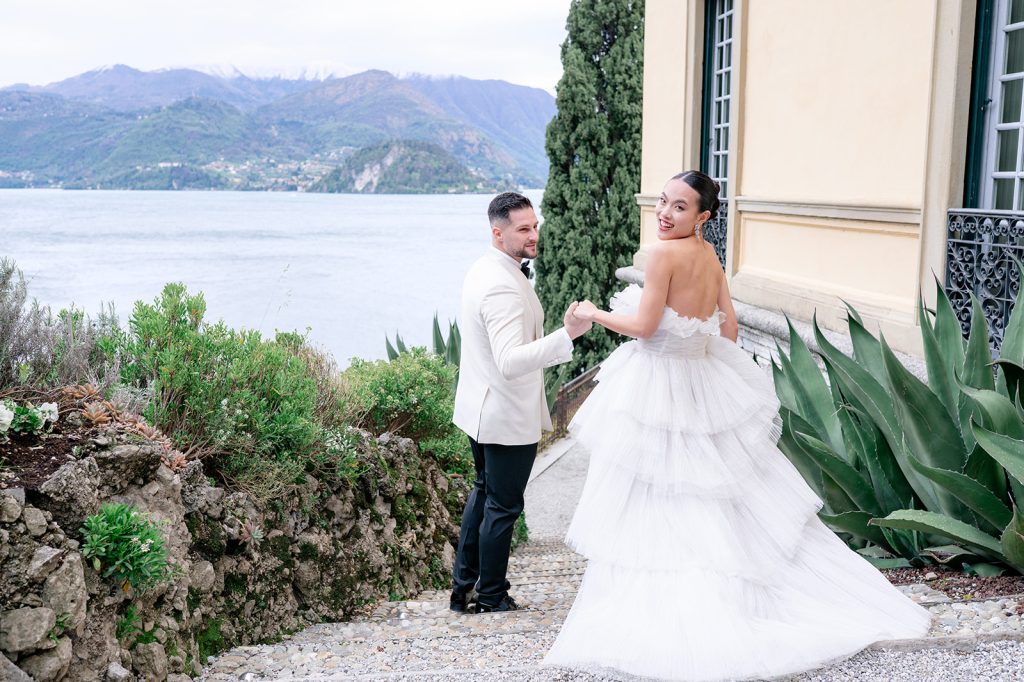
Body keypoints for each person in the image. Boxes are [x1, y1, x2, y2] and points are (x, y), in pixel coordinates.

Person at [543, 171, 931, 680]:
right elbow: (727, 328)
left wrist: (594, 312)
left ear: (702, 217)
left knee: (659, 498)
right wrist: (694, 352)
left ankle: (679, 616)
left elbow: (642, 326)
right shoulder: (708, 256)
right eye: (663, 201)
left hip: (658, 383)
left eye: (680, 207)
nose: (665, 212)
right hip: (701, 380)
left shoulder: (662, 256)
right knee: (716, 497)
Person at [450, 191, 592, 614]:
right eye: (524, 229)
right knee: (504, 505)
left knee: (485, 493)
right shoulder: (501, 287)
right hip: (505, 413)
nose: (534, 235)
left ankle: (464, 588)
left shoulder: (485, 267)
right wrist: (568, 334)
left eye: (535, 226)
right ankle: (491, 595)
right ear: (498, 233)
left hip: (480, 409)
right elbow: (510, 361)